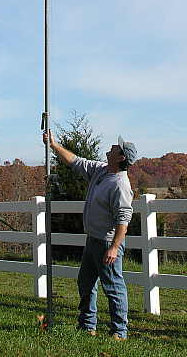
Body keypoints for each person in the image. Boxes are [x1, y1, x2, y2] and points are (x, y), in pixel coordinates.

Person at [43, 129, 137, 340]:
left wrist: (114, 247)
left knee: (113, 287)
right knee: (85, 283)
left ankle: (119, 331)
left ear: (120, 157)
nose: (112, 147)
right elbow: (77, 162)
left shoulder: (121, 185)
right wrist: (53, 145)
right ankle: (87, 326)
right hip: (93, 240)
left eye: (116, 147)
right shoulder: (102, 171)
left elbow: (123, 220)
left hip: (107, 243)